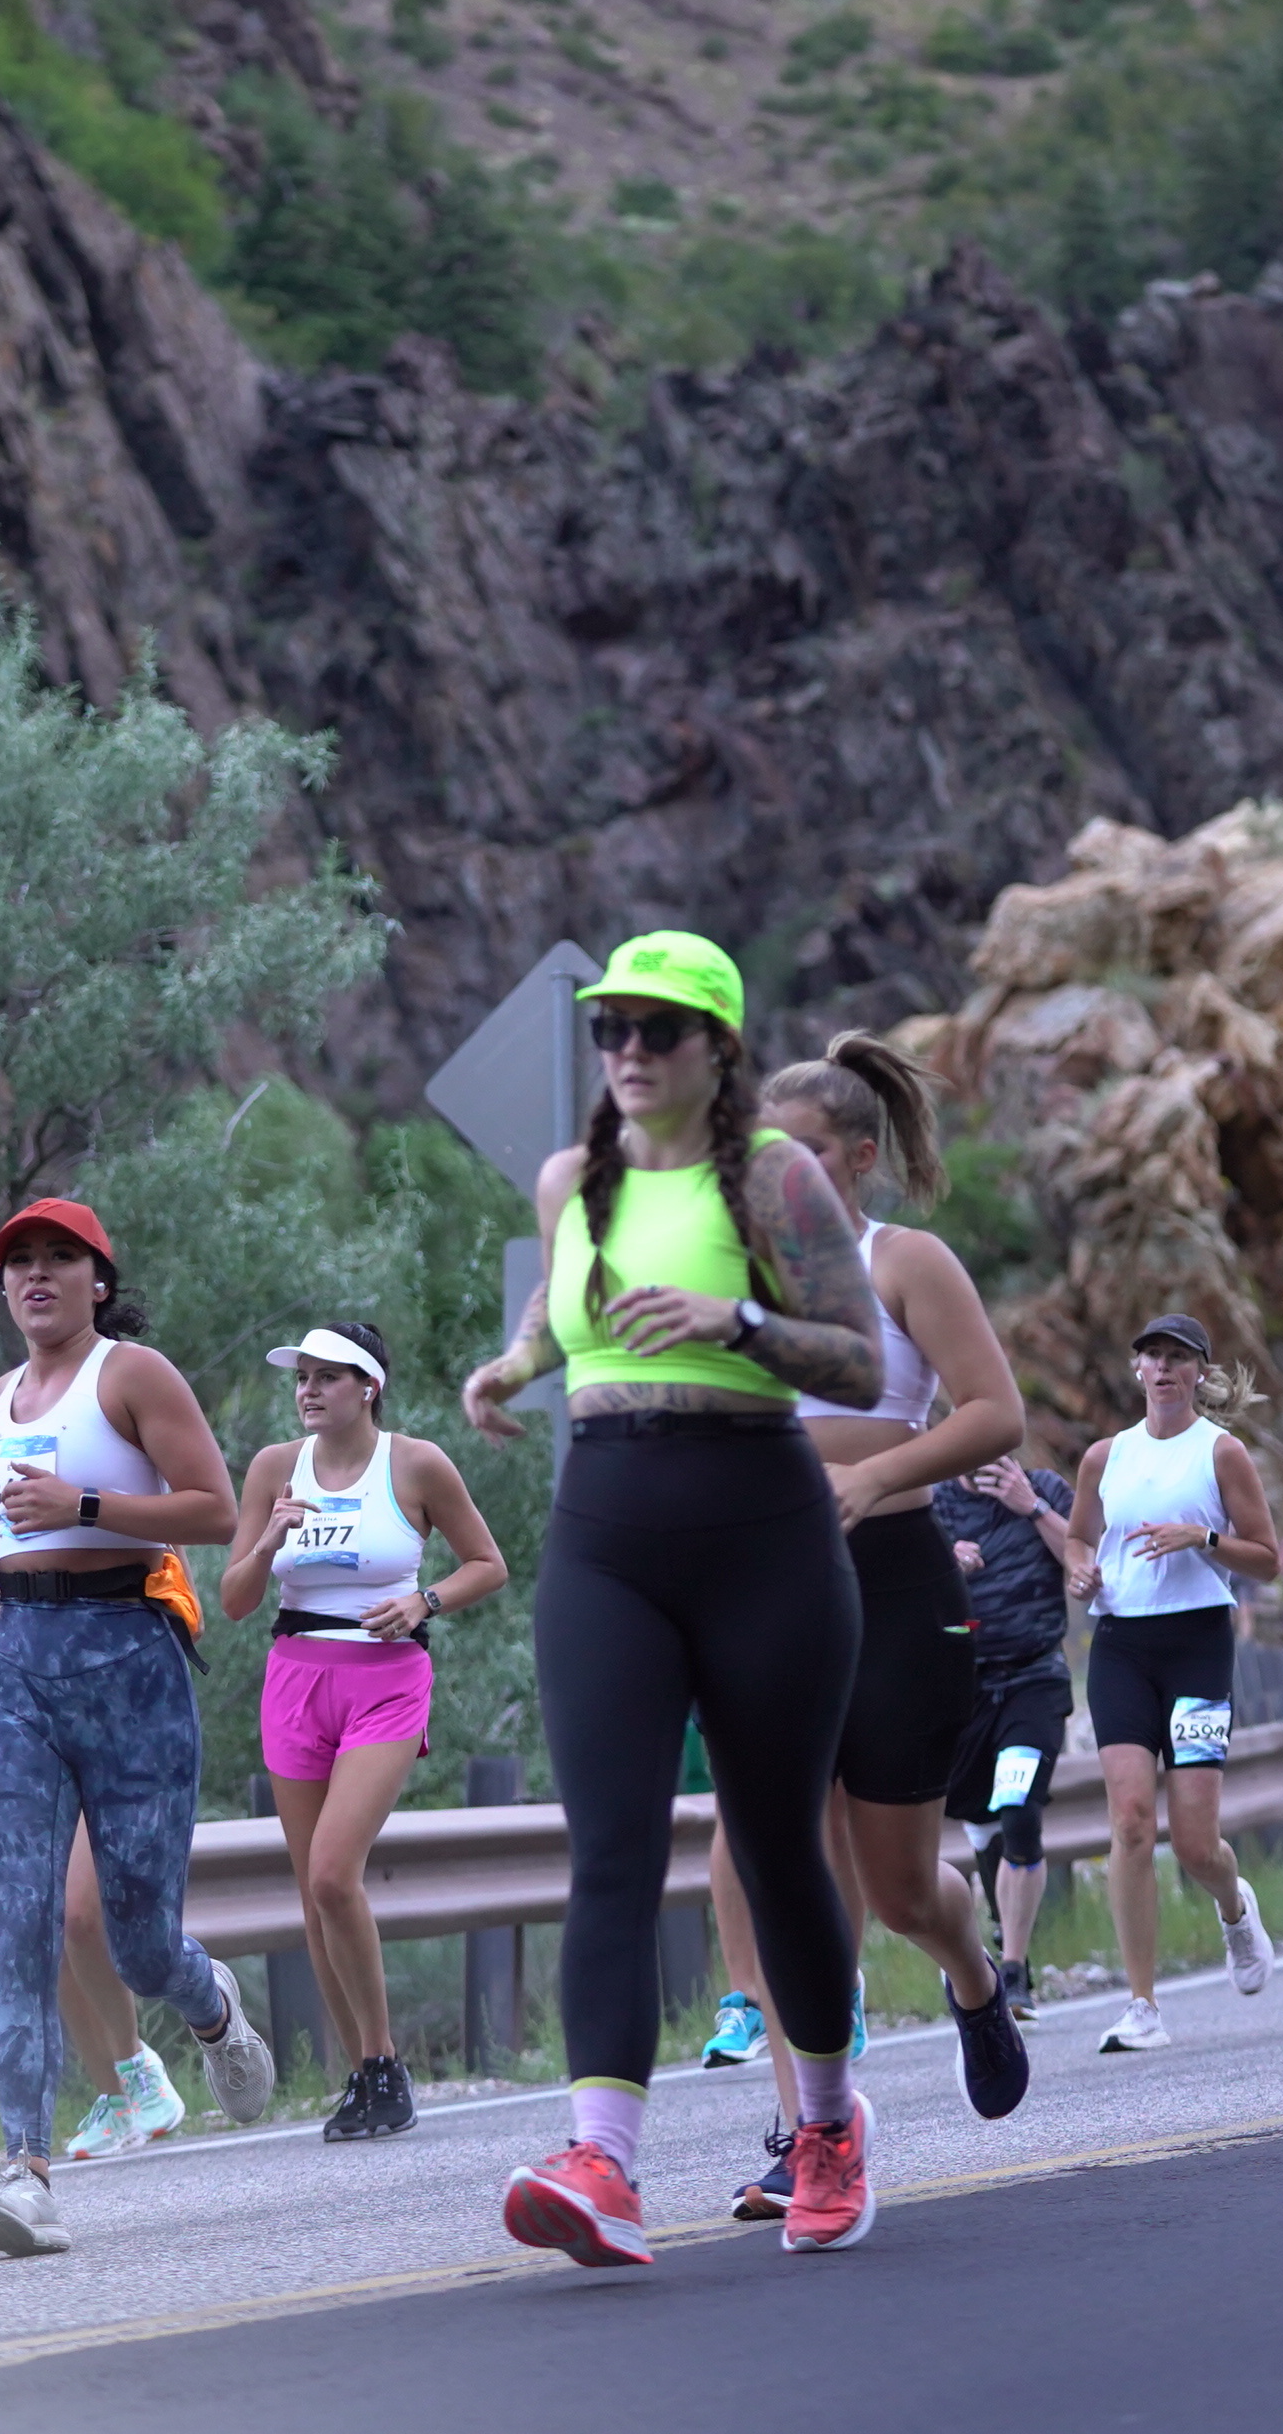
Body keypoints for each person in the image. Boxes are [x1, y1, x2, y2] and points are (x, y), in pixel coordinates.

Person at [466, 932, 890, 2265]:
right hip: (606, 1531)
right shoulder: (570, 1180)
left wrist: (737, 1324)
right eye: (613, 1029)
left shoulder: (774, 1176)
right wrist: (511, 1364)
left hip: (763, 1524)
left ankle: (827, 2124)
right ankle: (603, 2161)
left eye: (659, 1029)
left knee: (774, 1846)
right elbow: (562, 1310)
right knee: (611, 1847)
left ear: (720, 1047)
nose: (630, 1051)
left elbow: (865, 1363)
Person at [0, 1199, 274, 2258]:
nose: (37, 1275)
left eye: (60, 1258)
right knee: (24, 1927)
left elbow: (217, 1510)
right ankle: (24, 2173)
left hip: (130, 1658)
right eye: (20, 1262)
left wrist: (84, 1505)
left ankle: (209, 2003)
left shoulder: (133, 1375)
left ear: (99, 1279)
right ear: (3, 1286)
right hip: (17, 1667)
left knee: (137, 1940)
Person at [760, 1039, 1029, 2119]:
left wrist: (874, 1475)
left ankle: (973, 1973)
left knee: (901, 1890)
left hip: (893, 1582)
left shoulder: (904, 1261)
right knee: (781, 1858)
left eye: (810, 1153)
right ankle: (808, 2122)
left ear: (861, 1157)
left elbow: (994, 1414)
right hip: (767, 1583)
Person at [223, 1319, 508, 2143]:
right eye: (300, 1377)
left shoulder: (415, 1463)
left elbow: (487, 1563)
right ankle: (363, 2076)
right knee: (313, 1893)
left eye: (326, 1376)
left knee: (333, 1872)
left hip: (386, 1678)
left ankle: (384, 2063)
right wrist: (269, 1539)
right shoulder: (274, 1468)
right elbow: (235, 1600)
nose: (308, 1390)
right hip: (295, 1676)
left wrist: (425, 1600)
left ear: (368, 1386)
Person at [1065, 1314, 1283, 2055]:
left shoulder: (1221, 1453)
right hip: (1121, 1646)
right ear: (1137, 1371)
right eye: (1152, 1357)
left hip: (1197, 1645)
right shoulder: (1106, 1456)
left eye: (1178, 1359)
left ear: (1200, 1374)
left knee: (1194, 1844)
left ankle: (1234, 1907)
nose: (1163, 1369)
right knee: (1130, 1821)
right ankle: (1141, 2005)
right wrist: (1079, 1569)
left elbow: (1268, 1560)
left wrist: (1205, 1539)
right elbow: (1078, 1536)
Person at [940, 1454, 1075, 2009]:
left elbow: (1087, 1562)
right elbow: (898, 1592)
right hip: (962, 1684)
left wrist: (1033, 1507)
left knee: (1018, 1810)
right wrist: (943, 1565)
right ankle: (1000, 1921)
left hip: (1033, 1677)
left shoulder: (1045, 1489)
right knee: (981, 1816)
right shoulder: (931, 1504)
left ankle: (1015, 1970)